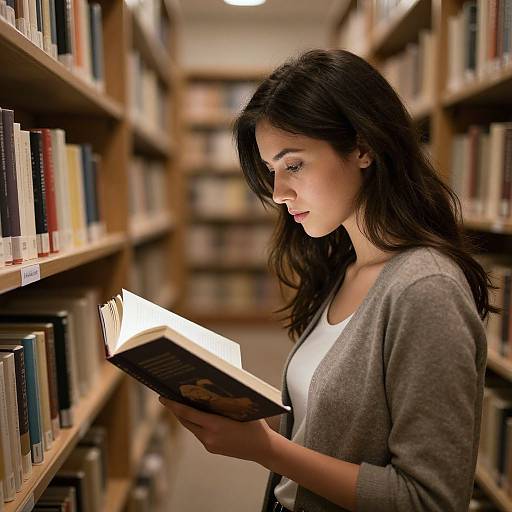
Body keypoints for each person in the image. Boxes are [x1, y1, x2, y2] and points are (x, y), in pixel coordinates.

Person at [159, 49, 491, 512]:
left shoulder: (424, 289)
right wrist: (247, 412)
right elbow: (334, 427)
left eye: (293, 165)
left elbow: (428, 500)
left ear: (363, 147)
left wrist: (266, 450)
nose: (278, 194)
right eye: (272, 171)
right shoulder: (347, 265)